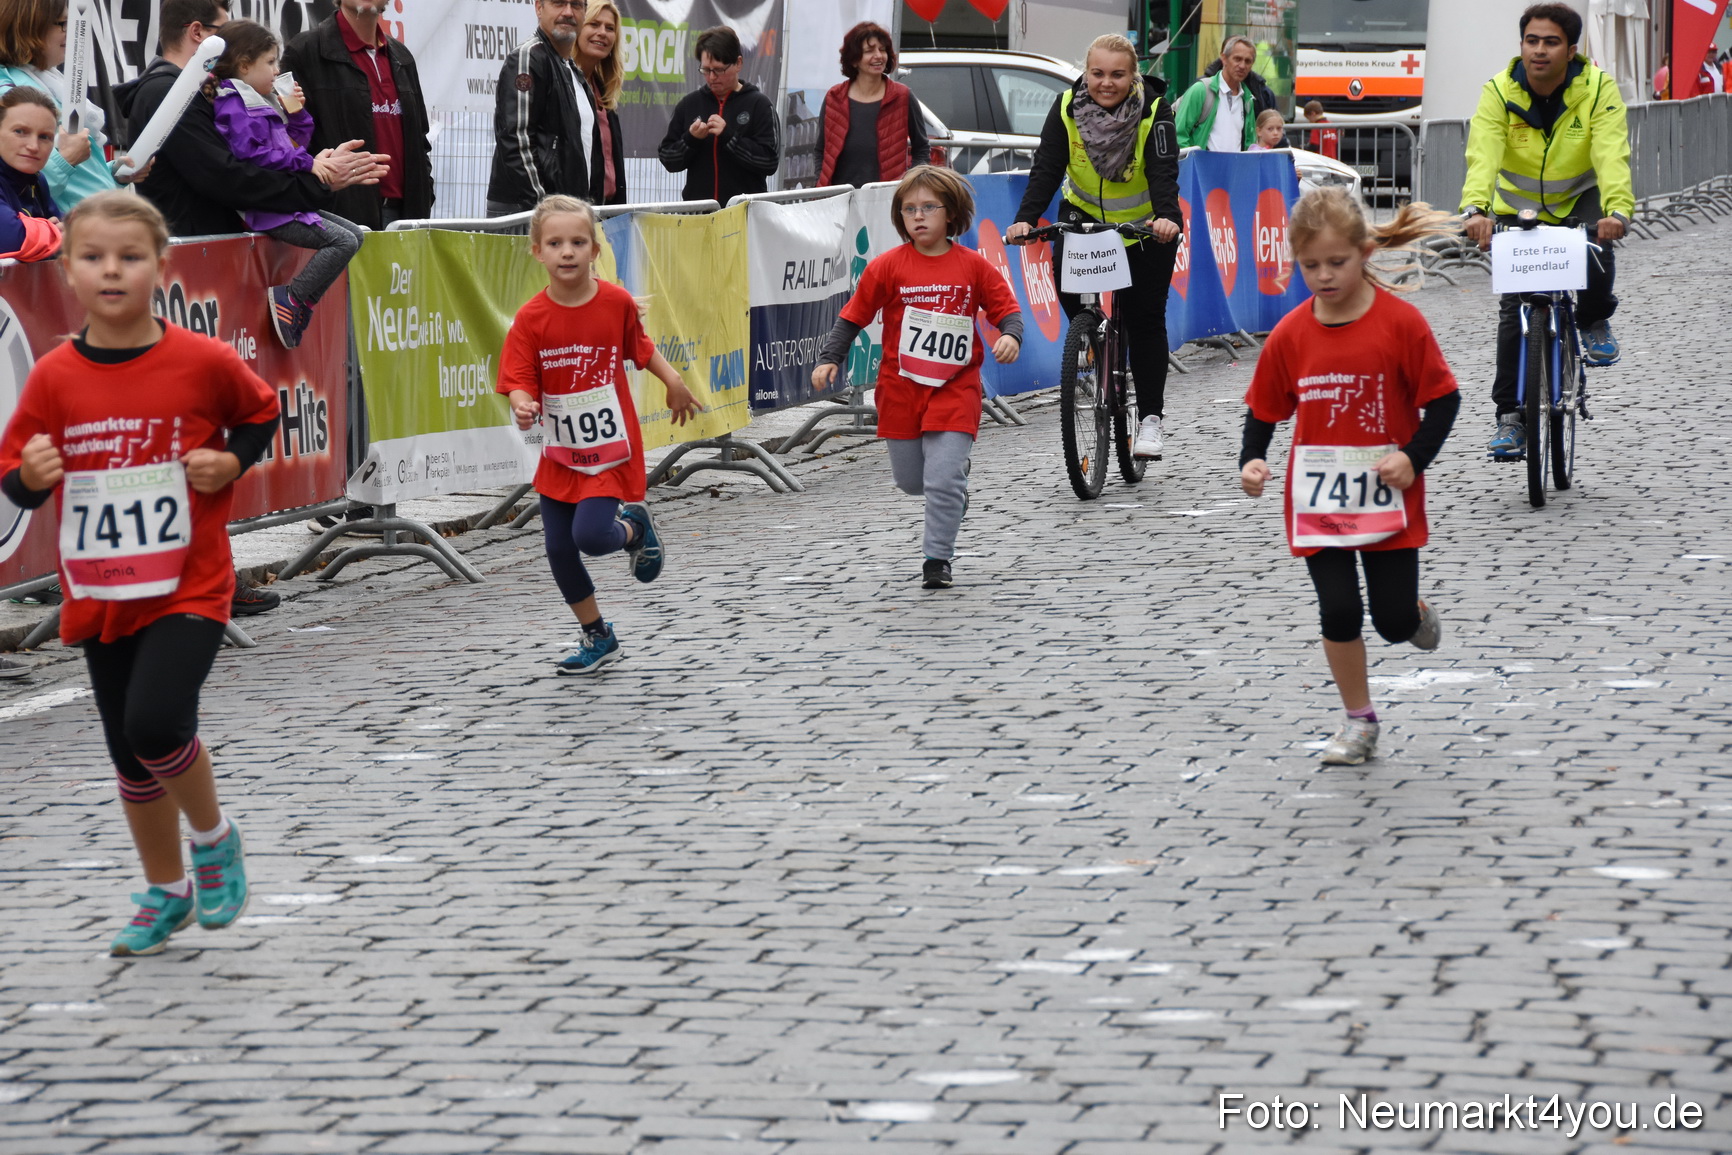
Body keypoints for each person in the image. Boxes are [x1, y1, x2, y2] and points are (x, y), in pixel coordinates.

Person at [0, 191, 279, 953]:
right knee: (130, 751)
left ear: (161, 265)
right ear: (67, 270)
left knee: (155, 722)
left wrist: (229, 462)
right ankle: (165, 890)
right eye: (93, 257)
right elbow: (16, 477)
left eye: (129, 257)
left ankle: (214, 838)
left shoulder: (201, 359)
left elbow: (260, 412)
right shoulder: (56, 376)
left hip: (189, 580)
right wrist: (30, 472)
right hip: (101, 588)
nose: (111, 270)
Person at [1239, 189, 1461, 766]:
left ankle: (1411, 613)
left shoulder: (1401, 325)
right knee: (1338, 610)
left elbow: (1444, 401)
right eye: (1309, 265)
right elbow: (1264, 408)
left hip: (1387, 497)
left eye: (1336, 262)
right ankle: (1359, 721)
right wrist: (1253, 459)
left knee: (1388, 622)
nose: (1323, 276)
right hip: (1317, 501)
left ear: (1364, 252)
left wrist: (1413, 457)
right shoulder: (1290, 333)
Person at [497, 195, 702, 674]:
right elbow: (518, 377)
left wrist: (673, 382)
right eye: (555, 243)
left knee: (590, 536)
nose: (566, 252)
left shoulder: (615, 303)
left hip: (609, 450)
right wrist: (522, 403)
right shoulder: (531, 318)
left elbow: (641, 348)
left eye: (577, 242)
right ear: (537, 252)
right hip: (562, 451)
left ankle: (633, 528)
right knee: (558, 548)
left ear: (594, 250)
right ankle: (598, 635)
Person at [812, 166, 1022, 590]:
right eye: (909, 209)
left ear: (951, 214)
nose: (919, 217)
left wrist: (1011, 336)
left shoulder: (973, 266)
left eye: (929, 207)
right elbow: (853, 316)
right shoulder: (888, 267)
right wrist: (830, 357)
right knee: (913, 483)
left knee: (941, 478)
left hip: (956, 388)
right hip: (901, 389)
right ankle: (954, 493)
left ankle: (936, 560)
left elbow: (1007, 310)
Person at [1461, 3, 1631, 459]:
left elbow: (1612, 153)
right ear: (1521, 45)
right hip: (1518, 206)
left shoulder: (1597, 89)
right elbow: (1484, 152)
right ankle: (1511, 417)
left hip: (1580, 197)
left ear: (1571, 49)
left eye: (1551, 42)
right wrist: (1475, 208)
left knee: (1598, 243)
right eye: (1531, 40)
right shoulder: (1498, 91)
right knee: (1515, 308)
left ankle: (1594, 318)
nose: (1539, 50)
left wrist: (1617, 210)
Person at [1008, 33, 1182, 460]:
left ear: (1133, 75)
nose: (1106, 82)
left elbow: (1163, 173)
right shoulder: (1067, 108)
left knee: (1144, 319)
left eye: (1118, 75)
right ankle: (1094, 336)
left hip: (1143, 228)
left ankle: (1150, 422)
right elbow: (1047, 167)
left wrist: (1167, 218)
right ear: (1085, 73)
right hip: (1084, 216)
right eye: (1097, 73)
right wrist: (1026, 218)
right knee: (1068, 288)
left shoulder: (1154, 113)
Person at [124, 0, 387, 241]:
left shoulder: (208, 92)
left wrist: (310, 155)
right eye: (224, 33)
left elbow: (260, 157)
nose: (235, 46)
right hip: (190, 260)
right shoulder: (168, 93)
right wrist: (316, 178)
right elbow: (227, 176)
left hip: (212, 252)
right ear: (197, 33)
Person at [205, 21, 364, 350]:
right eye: (271, 62)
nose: (278, 70)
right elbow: (254, 154)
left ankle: (300, 302)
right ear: (245, 65)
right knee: (343, 243)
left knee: (356, 236)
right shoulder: (233, 103)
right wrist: (308, 163)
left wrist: (296, 112)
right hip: (270, 210)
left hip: (284, 203)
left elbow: (295, 142)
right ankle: (292, 298)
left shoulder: (257, 99)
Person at [281, 0, 434, 229]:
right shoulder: (303, 52)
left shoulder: (402, 57)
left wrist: (425, 193)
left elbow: (420, 138)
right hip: (341, 221)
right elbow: (289, 139)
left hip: (405, 217)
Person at [0, 0, 150, 206]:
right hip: (67, 229)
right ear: (30, 26)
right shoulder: (8, 90)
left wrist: (113, 173)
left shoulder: (50, 79)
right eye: (63, 23)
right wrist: (66, 159)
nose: (71, 32)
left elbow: (76, 175)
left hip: (94, 218)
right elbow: (15, 189)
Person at [485, 0, 604, 216]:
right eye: (559, 3)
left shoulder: (573, 72)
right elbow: (516, 140)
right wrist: (546, 209)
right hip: (527, 216)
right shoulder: (528, 58)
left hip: (564, 216)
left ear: (584, 13)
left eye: (576, 5)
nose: (568, 12)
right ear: (539, 8)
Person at [657, 25, 780, 205]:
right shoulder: (689, 104)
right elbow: (668, 159)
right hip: (699, 217)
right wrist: (690, 139)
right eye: (706, 70)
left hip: (744, 215)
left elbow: (769, 162)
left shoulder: (759, 105)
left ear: (738, 63)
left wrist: (729, 137)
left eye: (719, 69)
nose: (712, 77)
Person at [814, 20, 929, 189]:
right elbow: (820, 150)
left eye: (882, 50)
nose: (878, 55)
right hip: (836, 200)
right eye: (869, 51)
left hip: (886, 199)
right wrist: (821, 182)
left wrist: (907, 185)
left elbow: (922, 149)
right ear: (854, 60)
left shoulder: (902, 96)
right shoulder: (834, 96)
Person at [0, 84, 61, 260]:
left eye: (44, 137)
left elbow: (68, 231)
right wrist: (52, 231)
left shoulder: (36, 179)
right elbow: (10, 239)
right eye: (20, 132)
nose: (33, 146)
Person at [573, 0, 625, 205]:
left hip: (606, 213)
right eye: (594, 24)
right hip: (574, 212)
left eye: (610, 28)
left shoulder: (602, 89)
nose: (602, 33)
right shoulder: (563, 82)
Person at [1174, 35, 1259, 151]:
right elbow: (1178, 134)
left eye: (1248, 61)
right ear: (1224, 58)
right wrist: (1194, 163)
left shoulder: (1247, 100)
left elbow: (1250, 144)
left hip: (1235, 168)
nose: (1242, 66)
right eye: (1237, 59)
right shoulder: (1201, 90)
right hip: (1202, 168)